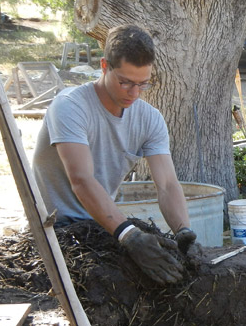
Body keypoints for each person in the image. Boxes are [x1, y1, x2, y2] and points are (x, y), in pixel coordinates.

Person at [32, 24, 198, 284]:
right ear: (104, 66)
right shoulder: (70, 106)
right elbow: (82, 180)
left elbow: (166, 184)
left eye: (143, 84)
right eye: (125, 82)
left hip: (102, 225)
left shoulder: (149, 119)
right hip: (57, 230)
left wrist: (183, 230)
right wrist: (128, 236)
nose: (134, 93)